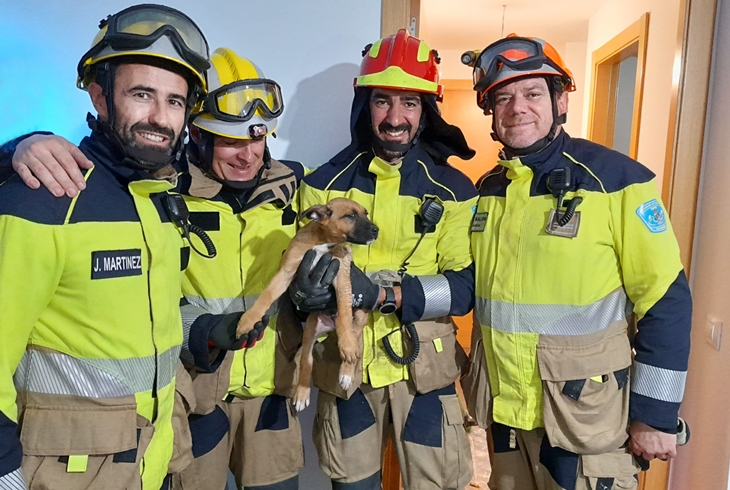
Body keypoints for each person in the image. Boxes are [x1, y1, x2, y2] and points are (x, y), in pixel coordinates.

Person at [0, 46, 310, 489]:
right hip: (194, 400)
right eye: (231, 141)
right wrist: (18, 146)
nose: (247, 156)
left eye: (257, 139)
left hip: (269, 396)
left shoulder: (296, 189)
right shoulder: (160, 193)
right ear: (197, 136)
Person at [0, 4, 221, 489]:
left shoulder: (160, 201)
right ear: (101, 97)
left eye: (176, 101)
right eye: (141, 94)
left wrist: (203, 331)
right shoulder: (45, 198)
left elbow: (143, 327)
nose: (160, 118)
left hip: (152, 463)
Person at [462, 34, 692, 490]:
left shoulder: (617, 181)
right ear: (491, 113)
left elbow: (665, 299)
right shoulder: (487, 189)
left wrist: (656, 414)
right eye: (503, 98)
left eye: (532, 93)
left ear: (560, 100)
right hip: (507, 415)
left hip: (584, 419)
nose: (517, 108)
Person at [292, 29, 478, 490]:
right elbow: (305, 276)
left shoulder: (455, 192)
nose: (395, 117)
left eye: (409, 103)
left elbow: (462, 288)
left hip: (427, 374)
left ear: (426, 111)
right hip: (346, 368)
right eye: (382, 101)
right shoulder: (322, 184)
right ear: (364, 106)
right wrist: (306, 291)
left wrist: (387, 295)